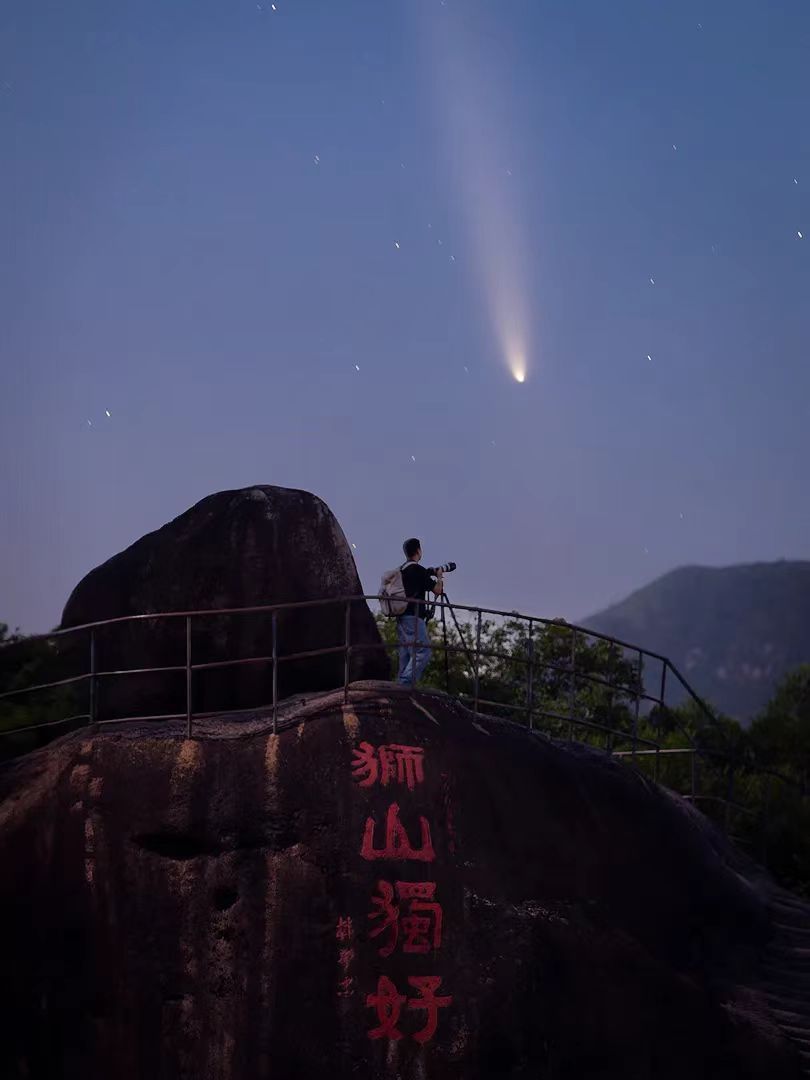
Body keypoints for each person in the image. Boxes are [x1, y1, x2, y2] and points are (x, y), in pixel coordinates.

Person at [397, 538, 443, 687]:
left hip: (401, 617)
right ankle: (405, 684)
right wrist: (439, 576)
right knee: (423, 651)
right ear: (418, 551)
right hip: (414, 617)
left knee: (406, 653)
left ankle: (400, 687)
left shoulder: (402, 569)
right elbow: (438, 590)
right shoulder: (418, 570)